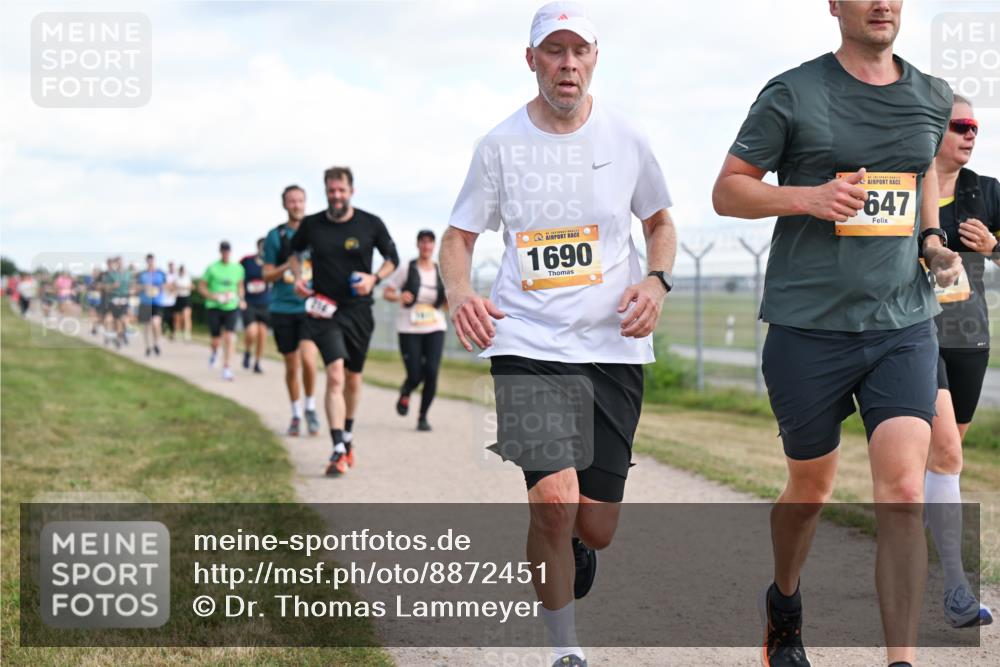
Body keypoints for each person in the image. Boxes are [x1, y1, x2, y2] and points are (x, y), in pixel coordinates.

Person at [711, 2, 962, 666]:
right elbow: (728, 191)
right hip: (808, 328)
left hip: (901, 322)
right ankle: (785, 602)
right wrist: (808, 197)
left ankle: (901, 659)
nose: (882, 3)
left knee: (903, 491)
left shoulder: (932, 94)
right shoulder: (793, 92)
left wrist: (932, 240)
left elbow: (921, 174)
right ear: (833, 3)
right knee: (810, 491)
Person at [441, 4, 676, 666]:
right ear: (532, 60)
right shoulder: (499, 146)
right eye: (554, 50)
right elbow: (458, 238)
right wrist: (460, 293)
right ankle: (564, 648)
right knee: (553, 500)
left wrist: (656, 281)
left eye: (579, 50)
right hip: (528, 342)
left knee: (594, 526)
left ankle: (570, 540)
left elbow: (660, 222)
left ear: (594, 58)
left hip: (612, 344)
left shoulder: (626, 137)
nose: (567, 63)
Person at [925, 94, 998, 629]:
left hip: (968, 338)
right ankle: (955, 586)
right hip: (914, 333)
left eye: (975, 126)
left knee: (938, 459)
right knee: (946, 452)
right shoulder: (906, 188)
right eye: (960, 126)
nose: (971, 134)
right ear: (934, 129)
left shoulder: (987, 191)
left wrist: (993, 247)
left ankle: (902, 548)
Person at [289, 166, 399, 476]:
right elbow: (294, 253)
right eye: (331, 191)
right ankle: (338, 447)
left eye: (341, 190)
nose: (336, 196)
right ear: (326, 191)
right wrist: (298, 278)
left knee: (352, 377)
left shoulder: (370, 223)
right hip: (325, 310)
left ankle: (347, 435)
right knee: (335, 375)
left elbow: (393, 258)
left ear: (351, 191)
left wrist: (373, 279)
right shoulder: (312, 224)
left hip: (359, 311)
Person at [263, 185, 321, 437]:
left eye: (300, 200)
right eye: (291, 201)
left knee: (308, 359)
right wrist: (289, 264)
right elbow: (266, 275)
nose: (296, 205)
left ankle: (311, 407)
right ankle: (296, 413)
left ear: (305, 202)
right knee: (291, 364)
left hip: (309, 307)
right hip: (283, 307)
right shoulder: (275, 236)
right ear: (284, 205)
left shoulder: (316, 232)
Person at [383, 229, 448, 432]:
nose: (426, 246)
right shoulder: (406, 268)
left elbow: (447, 303)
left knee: (432, 371)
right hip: (409, 327)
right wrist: (399, 297)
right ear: (418, 244)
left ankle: (423, 417)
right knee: (415, 373)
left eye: (430, 242)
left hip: (435, 326)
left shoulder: (441, 271)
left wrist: (451, 303)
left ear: (434, 246)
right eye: (423, 242)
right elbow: (387, 292)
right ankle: (406, 390)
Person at [200, 241, 246, 381]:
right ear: (220, 252)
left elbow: (240, 286)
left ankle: (227, 368)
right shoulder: (212, 268)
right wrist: (213, 296)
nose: (226, 253)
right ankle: (214, 352)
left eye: (227, 251)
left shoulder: (238, 268)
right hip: (214, 306)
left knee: (230, 337)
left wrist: (241, 299)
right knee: (216, 340)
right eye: (223, 251)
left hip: (231, 306)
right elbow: (202, 287)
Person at [240, 238, 271, 374]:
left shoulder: (270, 263)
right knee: (252, 332)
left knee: (262, 334)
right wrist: (241, 298)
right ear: (258, 247)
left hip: (265, 302)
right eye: (262, 247)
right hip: (250, 302)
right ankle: (247, 351)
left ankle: (258, 362)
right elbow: (239, 278)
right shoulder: (247, 261)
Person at [136, 253, 166, 357]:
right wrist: (144, 287)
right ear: (146, 261)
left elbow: (166, 285)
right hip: (145, 302)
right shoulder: (142, 274)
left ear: (154, 261)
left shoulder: (161, 273)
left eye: (152, 260)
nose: (150, 262)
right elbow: (136, 287)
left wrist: (161, 288)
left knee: (156, 323)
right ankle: (147, 347)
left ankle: (156, 344)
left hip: (157, 302)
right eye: (149, 261)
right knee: (146, 326)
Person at [106, 257, 133, 349]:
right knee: (117, 321)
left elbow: (132, 285)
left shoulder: (128, 274)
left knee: (123, 318)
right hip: (114, 300)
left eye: (121, 262)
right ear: (115, 264)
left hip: (125, 299)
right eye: (117, 263)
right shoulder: (111, 275)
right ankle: (119, 339)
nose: (119, 264)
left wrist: (132, 290)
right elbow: (106, 288)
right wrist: (112, 286)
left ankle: (123, 334)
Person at [173, 265, 193, 342]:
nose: (182, 272)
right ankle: (177, 332)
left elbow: (192, 287)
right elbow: (173, 287)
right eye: (180, 270)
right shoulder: (176, 278)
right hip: (178, 298)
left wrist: (185, 287)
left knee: (186, 316)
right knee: (177, 317)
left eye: (183, 270)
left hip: (186, 298)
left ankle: (187, 333)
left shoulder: (187, 278)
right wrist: (176, 288)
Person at [161, 261, 178, 341]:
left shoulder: (176, 275)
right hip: (165, 300)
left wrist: (172, 287)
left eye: (172, 266)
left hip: (173, 300)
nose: (171, 268)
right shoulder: (165, 275)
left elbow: (176, 286)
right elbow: (163, 285)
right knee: (164, 317)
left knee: (172, 318)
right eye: (170, 266)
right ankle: (163, 329)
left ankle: (172, 333)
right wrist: (169, 286)